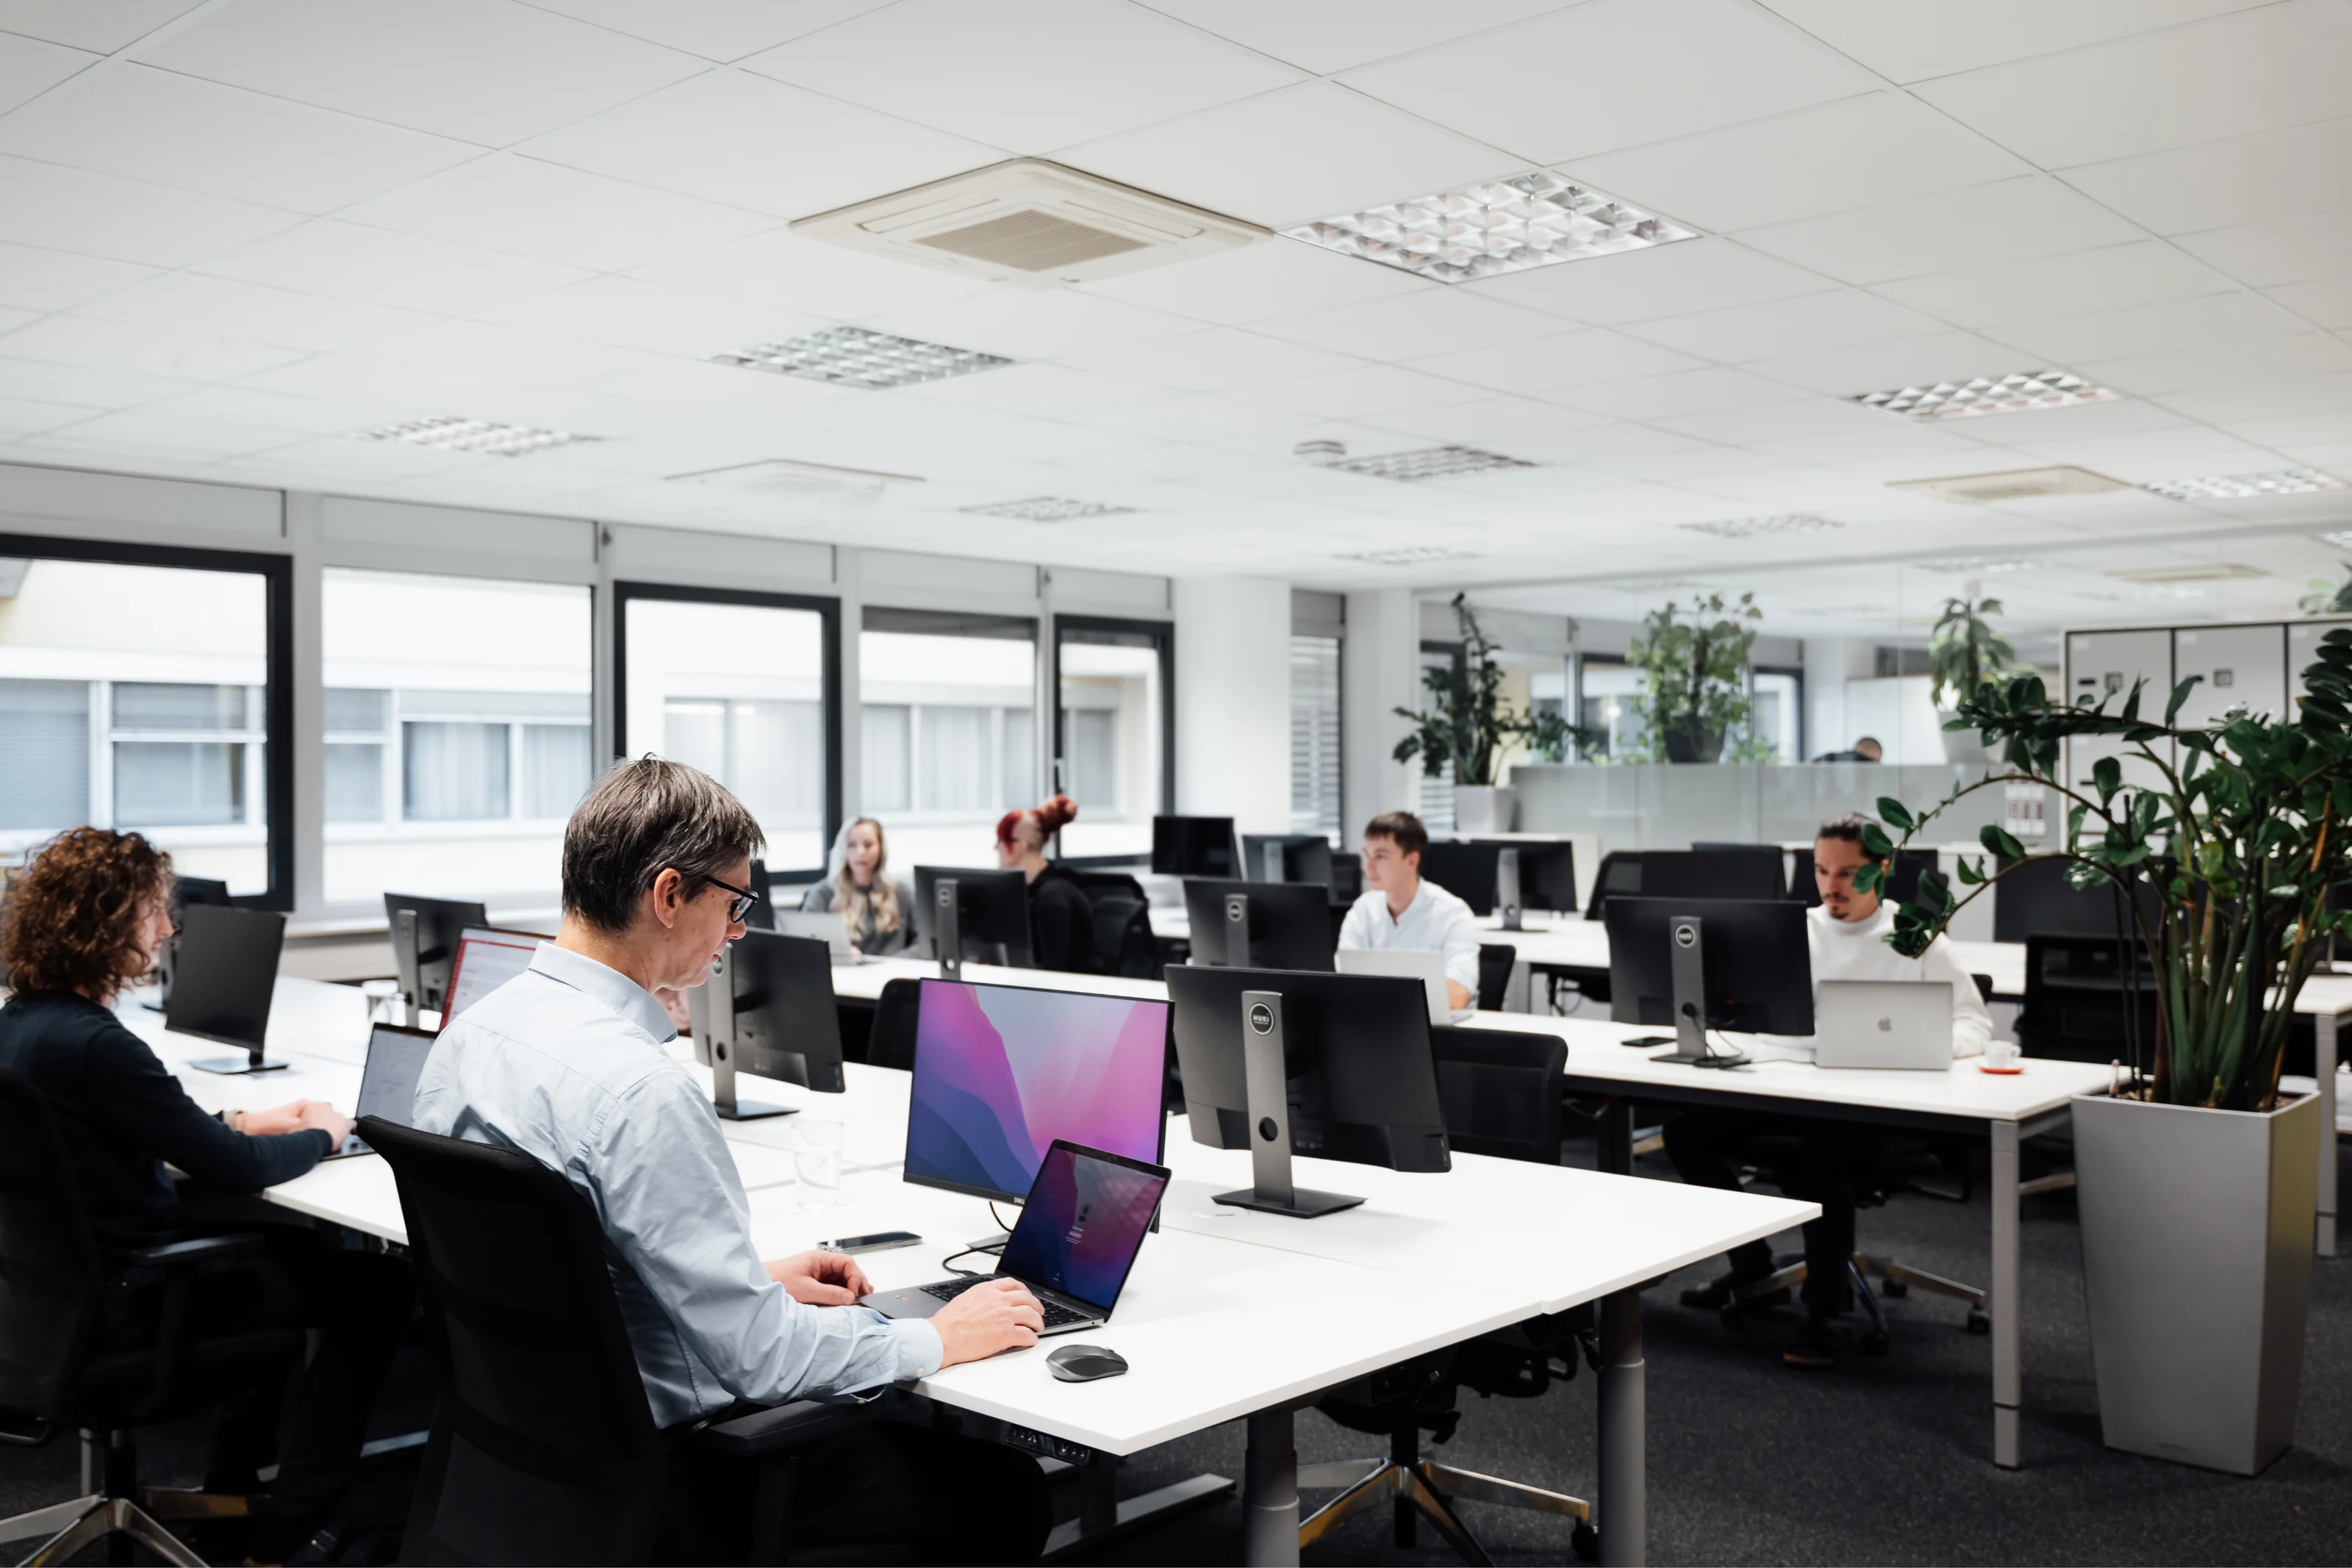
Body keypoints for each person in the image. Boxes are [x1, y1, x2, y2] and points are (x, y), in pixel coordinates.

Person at [414, 759, 1050, 1563]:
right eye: (734, 904)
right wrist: (940, 1336)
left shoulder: (470, 1036)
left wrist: (738, 1279)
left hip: (534, 1463)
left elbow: (550, 1265)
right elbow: (764, 1360)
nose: (740, 930)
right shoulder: (638, 1091)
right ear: (670, 895)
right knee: (1005, 1490)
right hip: (682, 1479)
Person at [0, 828, 412, 1561]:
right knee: (372, 1286)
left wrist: (246, 1118)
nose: (167, 928)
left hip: (50, 1302)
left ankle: (233, 1483)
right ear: (103, 921)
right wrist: (319, 1131)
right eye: (152, 911)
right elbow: (237, 1167)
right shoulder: (100, 1044)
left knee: (299, 1254)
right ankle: (292, 1522)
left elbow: (126, 1131)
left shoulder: (26, 1026)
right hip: (134, 1298)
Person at [1664, 813, 1992, 1370]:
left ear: (1881, 870)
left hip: (1881, 1110)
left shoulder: (1915, 936)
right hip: (1793, 1091)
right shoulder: (1796, 933)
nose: (1832, 886)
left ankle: (1825, 1314)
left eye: (1848, 873)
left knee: (1826, 1148)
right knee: (1685, 1132)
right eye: (1821, 871)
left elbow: (1976, 1029)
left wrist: (1905, 1046)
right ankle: (1753, 1266)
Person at [1337, 810, 1479, 1012]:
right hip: (1372, 1025)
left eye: (1381, 856)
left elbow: (1457, 995)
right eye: (1367, 855)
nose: (1368, 867)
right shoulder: (1363, 909)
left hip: (1435, 1033)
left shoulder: (1453, 914)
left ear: (1412, 860)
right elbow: (1340, 981)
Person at [995, 794, 1102, 974]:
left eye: (1001, 840)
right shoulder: (1030, 891)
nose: (996, 848)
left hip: (1078, 996)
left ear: (1021, 845)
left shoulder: (1052, 897)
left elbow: (1054, 971)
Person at [801, 816, 914, 954]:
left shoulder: (902, 892)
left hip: (894, 973)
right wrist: (842, 953)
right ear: (843, 850)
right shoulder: (822, 893)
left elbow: (923, 945)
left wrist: (892, 964)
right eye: (851, 845)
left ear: (881, 849)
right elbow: (807, 944)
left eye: (868, 845)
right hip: (844, 973)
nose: (860, 852)